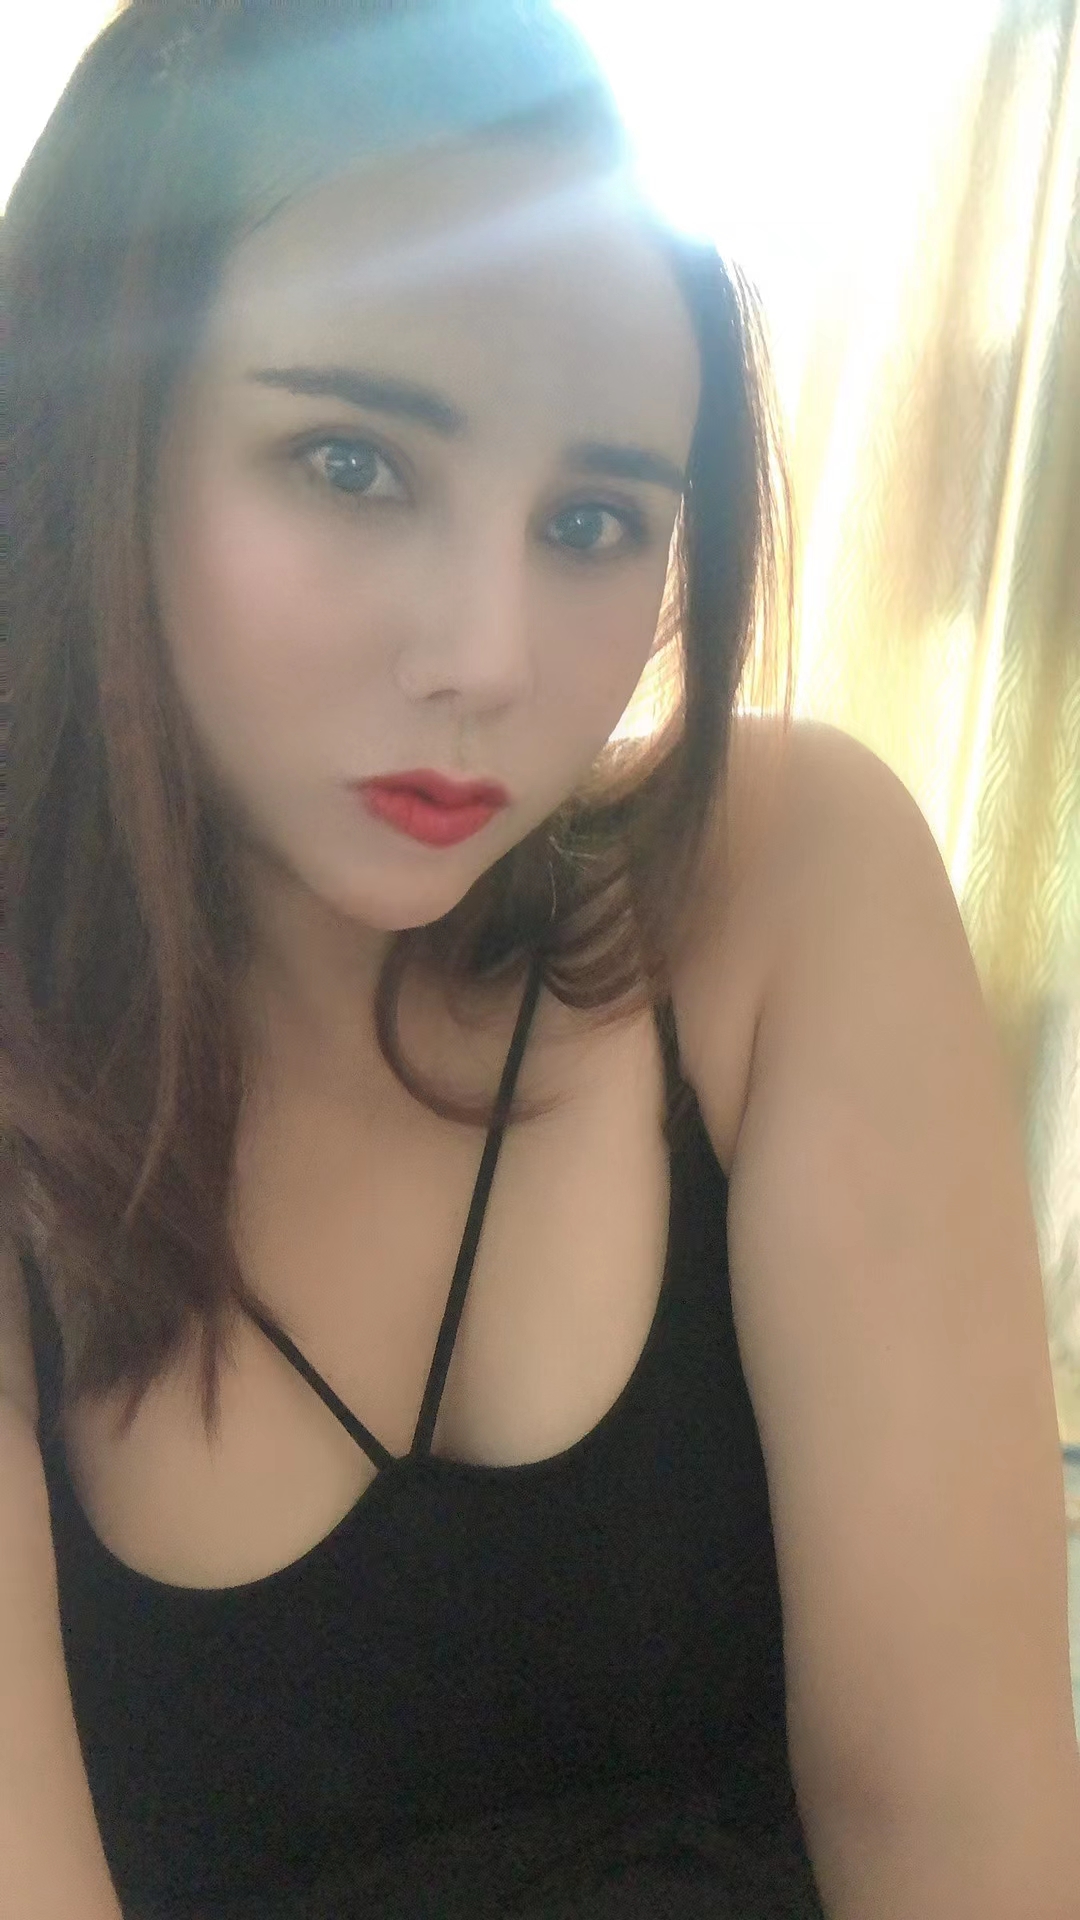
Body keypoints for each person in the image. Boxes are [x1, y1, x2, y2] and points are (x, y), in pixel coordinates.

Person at [3, 2, 1079, 1917]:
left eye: (593, 520)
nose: (489, 658)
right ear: (97, 439)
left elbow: (966, 1843)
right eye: (350, 464)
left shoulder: (778, 886)